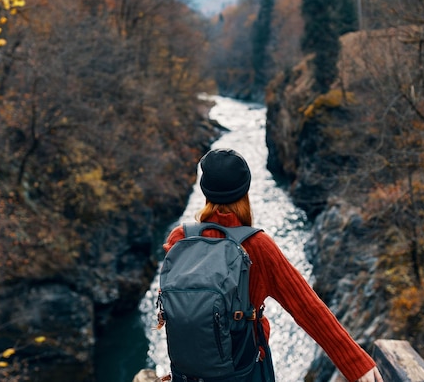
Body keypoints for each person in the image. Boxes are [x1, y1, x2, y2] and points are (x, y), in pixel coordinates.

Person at [163, 148, 384, 382]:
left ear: (205, 189)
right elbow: (307, 308)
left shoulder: (179, 239)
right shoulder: (256, 246)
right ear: (244, 190)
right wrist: (357, 365)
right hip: (243, 371)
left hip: (187, 373)